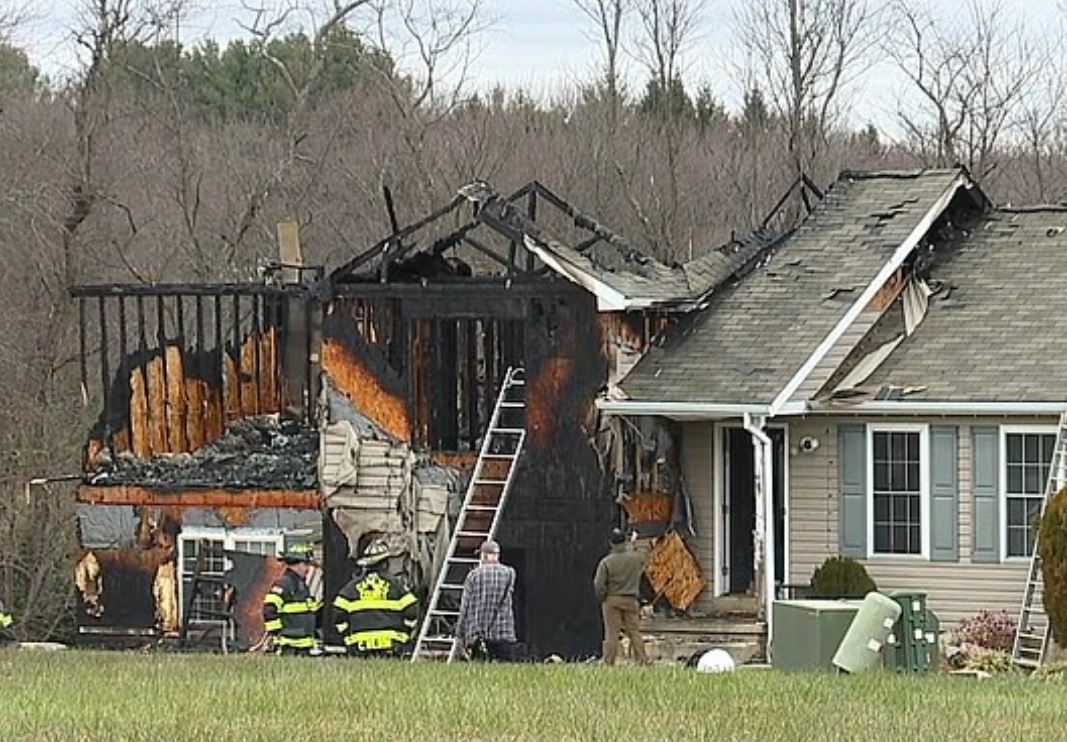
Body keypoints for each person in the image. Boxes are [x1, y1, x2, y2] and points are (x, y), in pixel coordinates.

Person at [332, 538, 419, 657]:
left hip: (360, 646)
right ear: (385, 563)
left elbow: (338, 614)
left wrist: (348, 637)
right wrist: (404, 634)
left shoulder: (351, 587)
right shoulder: (396, 585)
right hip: (391, 645)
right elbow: (412, 612)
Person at [593, 528, 649, 666]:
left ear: (611, 543)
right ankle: (642, 661)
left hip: (612, 599)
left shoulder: (606, 562)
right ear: (625, 541)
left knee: (612, 633)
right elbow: (643, 560)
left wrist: (603, 597)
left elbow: (598, 584)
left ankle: (608, 662)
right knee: (634, 632)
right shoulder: (636, 559)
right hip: (631, 600)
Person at [456, 540, 519, 662]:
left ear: (484, 555)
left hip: (478, 634)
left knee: (479, 673)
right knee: (505, 672)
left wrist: (459, 634)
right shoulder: (510, 573)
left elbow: (465, 607)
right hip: (503, 632)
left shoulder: (473, 575)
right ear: (497, 555)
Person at [262, 542, 321, 655]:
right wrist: (277, 634)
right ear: (297, 564)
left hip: (303, 646)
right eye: (306, 564)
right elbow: (270, 609)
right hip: (290, 647)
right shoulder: (284, 584)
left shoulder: (301, 585)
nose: (308, 569)